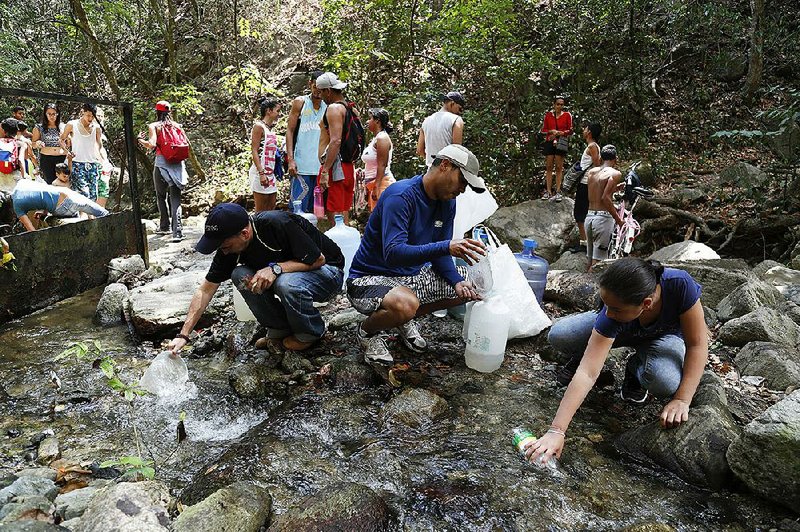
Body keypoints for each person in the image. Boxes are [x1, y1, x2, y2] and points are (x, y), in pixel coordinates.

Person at [525, 258, 708, 465]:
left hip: (664, 337)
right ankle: (584, 352)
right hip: (625, 327)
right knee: (560, 334)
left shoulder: (680, 284)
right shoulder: (612, 313)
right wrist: (556, 431)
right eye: (606, 305)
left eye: (615, 309)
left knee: (664, 381)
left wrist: (682, 400)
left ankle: (635, 369)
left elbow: (697, 344)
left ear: (646, 304)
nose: (608, 313)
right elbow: (588, 373)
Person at [347, 144, 486, 366]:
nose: (463, 189)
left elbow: (441, 253)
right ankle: (367, 332)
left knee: (470, 286)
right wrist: (446, 246)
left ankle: (403, 319)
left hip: (409, 278)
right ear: (446, 165)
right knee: (405, 304)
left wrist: (457, 281)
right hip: (367, 279)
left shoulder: (447, 202)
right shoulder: (401, 196)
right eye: (463, 181)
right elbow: (393, 253)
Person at [167, 203, 345, 354]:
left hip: (328, 273)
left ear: (244, 234)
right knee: (240, 275)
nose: (223, 250)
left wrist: (276, 268)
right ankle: (279, 329)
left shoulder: (275, 223)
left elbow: (319, 259)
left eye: (225, 245)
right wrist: (183, 335)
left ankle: (309, 333)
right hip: (292, 275)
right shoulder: (228, 248)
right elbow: (206, 289)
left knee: (285, 283)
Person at [137, 101, 188, 242]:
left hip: (161, 164)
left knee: (161, 195)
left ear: (157, 112)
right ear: (170, 112)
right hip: (177, 164)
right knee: (176, 198)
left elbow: (152, 144)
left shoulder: (154, 126)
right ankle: (177, 232)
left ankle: (164, 226)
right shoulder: (177, 126)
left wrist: (140, 140)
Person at [316, 72, 358, 224]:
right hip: (347, 167)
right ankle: (345, 245)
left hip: (336, 168)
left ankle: (337, 245)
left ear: (328, 91)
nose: (320, 96)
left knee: (335, 213)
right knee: (343, 209)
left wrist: (326, 171)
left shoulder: (334, 109)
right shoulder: (349, 108)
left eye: (321, 92)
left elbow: (335, 141)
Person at [286, 71, 326, 213]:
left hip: (321, 168)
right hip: (301, 166)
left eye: (321, 88)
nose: (318, 91)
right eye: (315, 87)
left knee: (317, 212)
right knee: (298, 210)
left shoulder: (328, 106)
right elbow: (290, 130)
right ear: (310, 84)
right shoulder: (301, 102)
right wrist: (290, 159)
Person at [9, 178, 108, 232]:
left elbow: (32, 231)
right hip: (64, 192)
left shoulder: (17, 206)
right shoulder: (21, 183)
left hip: (62, 206)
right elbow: (42, 192)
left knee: (85, 208)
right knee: (98, 210)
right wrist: (43, 211)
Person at [584, 144, 623, 271]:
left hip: (589, 217)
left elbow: (596, 192)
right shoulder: (615, 173)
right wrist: (619, 220)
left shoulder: (592, 172)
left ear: (601, 157)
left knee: (589, 260)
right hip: (603, 220)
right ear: (615, 159)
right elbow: (605, 198)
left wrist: (615, 189)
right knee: (598, 264)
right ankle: (591, 289)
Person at [60, 103, 103, 202]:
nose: (90, 118)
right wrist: (67, 151)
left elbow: (99, 144)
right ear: (83, 113)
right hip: (77, 163)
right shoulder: (72, 124)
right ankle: (85, 216)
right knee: (83, 193)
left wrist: (99, 156)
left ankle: (90, 216)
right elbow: (61, 140)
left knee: (93, 195)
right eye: (88, 115)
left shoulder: (96, 128)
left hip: (92, 164)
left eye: (92, 116)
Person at [570, 123, 602, 253]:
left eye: (585, 129)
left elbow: (597, 165)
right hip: (586, 183)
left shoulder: (592, 146)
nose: (583, 130)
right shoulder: (592, 146)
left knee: (580, 214)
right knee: (580, 213)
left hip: (586, 184)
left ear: (589, 132)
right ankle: (584, 242)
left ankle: (585, 244)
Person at [416, 91, 465, 168]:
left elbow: (419, 150)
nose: (459, 112)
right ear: (452, 103)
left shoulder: (427, 120)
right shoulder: (456, 120)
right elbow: (457, 151)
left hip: (431, 172)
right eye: (460, 109)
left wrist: (434, 162)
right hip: (447, 171)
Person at [249, 97, 281, 212]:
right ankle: (257, 230)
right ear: (269, 111)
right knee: (261, 211)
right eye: (277, 111)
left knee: (271, 208)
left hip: (270, 173)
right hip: (260, 173)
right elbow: (254, 150)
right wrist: (261, 173)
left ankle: (268, 230)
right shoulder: (259, 127)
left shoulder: (270, 129)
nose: (279, 114)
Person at [361, 108, 395, 211]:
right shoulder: (375, 139)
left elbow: (382, 165)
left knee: (381, 220)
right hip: (373, 184)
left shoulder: (382, 138)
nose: (367, 121)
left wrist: (376, 187)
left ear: (377, 121)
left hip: (382, 184)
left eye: (370, 118)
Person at [540, 95, 573, 201]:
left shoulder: (567, 115)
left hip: (561, 142)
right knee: (549, 166)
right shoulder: (548, 115)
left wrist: (562, 133)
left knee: (559, 167)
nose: (560, 106)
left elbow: (571, 130)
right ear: (554, 105)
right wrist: (551, 131)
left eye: (562, 104)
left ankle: (558, 191)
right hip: (550, 141)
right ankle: (548, 191)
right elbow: (543, 130)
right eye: (558, 104)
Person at [31, 103, 67, 185]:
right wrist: (38, 143)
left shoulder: (63, 127)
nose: (52, 116)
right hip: (46, 159)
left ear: (57, 114)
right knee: (50, 183)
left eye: (54, 114)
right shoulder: (39, 127)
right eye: (49, 114)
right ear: (45, 114)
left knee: (63, 183)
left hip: (62, 158)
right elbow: (33, 144)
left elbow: (69, 143)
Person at [0, 118, 26, 193]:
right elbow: (21, 160)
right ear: (17, 131)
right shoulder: (21, 144)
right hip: (14, 174)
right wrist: (24, 176)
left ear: (4, 131)